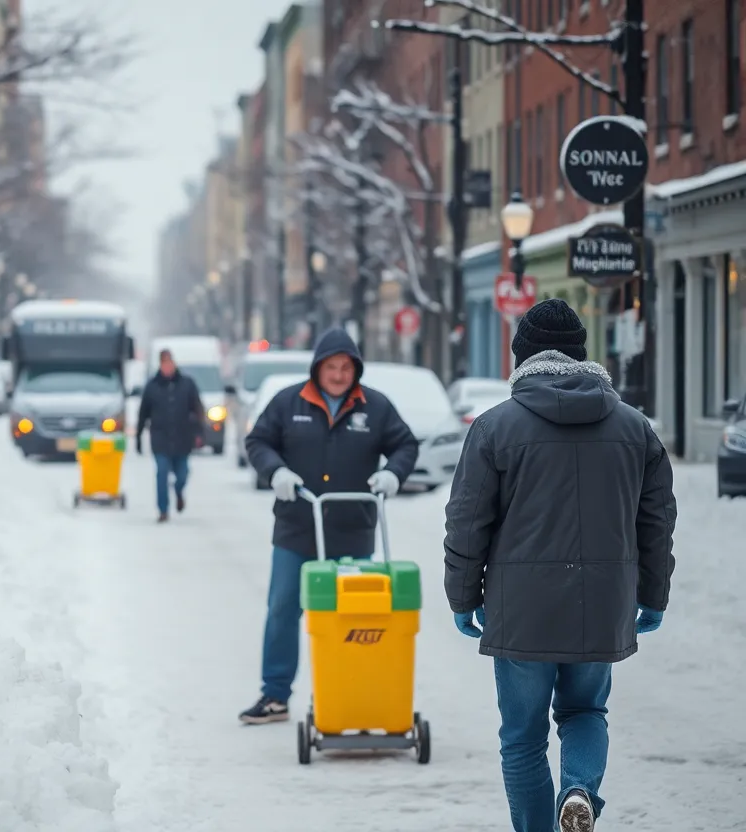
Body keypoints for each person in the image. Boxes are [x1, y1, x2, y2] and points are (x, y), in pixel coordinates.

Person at [443, 299, 677, 832]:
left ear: (521, 355)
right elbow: (657, 520)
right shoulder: (635, 428)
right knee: (585, 713)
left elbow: (467, 521)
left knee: (522, 738)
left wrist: (463, 597)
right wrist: (653, 594)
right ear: (581, 355)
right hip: (603, 601)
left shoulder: (494, 427)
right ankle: (578, 789)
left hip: (521, 608)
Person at [239, 327, 418, 724]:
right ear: (317, 368)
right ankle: (275, 694)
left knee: (351, 617)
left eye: (346, 367)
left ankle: (347, 691)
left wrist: (393, 474)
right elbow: (258, 442)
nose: (338, 375)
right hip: (296, 527)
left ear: (356, 369)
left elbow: (406, 445)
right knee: (284, 608)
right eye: (331, 367)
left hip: (352, 529)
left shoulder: (375, 407)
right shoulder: (288, 402)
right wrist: (276, 471)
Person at [135, 348, 204, 523]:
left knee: (183, 474)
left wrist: (199, 433)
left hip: (182, 438)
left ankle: (179, 491)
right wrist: (138, 436)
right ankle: (163, 510)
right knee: (162, 473)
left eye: (169, 363)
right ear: (160, 365)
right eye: (164, 363)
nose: (167, 367)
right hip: (160, 439)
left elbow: (197, 409)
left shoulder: (187, 384)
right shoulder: (152, 386)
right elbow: (143, 413)